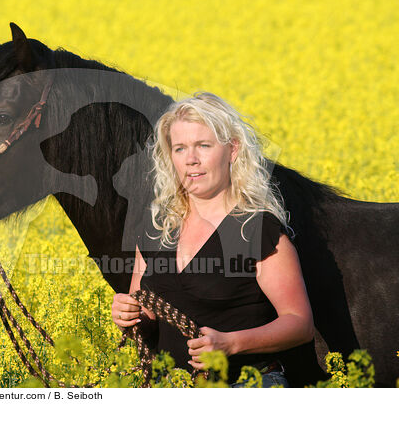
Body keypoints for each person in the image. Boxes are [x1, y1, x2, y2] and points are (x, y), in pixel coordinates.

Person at [111, 92, 315, 387]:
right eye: (179, 148)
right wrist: (129, 314)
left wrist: (230, 344)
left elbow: (299, 323)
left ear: (232, 150)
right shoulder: (156, 227)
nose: (191, 160)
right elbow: (147, 311)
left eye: (203, 146)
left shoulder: (257, 229)